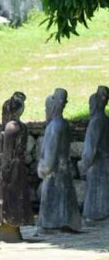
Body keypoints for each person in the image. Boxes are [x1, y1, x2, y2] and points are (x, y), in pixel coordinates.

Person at [0, 92, 35, 242]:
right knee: (16, 197)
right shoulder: (22, 127)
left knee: (6, 197)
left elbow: (7, 152)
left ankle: (8, 228)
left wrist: (4, 170)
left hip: (9, 168)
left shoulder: (10, 127)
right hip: (19, 167)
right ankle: (12, 228)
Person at [36, 88, 83, 233]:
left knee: (53, 200)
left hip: (54, 172)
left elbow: (50, 155)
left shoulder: (54, 126)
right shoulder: (62, 124)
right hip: (63, 170)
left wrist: (43, 169)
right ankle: (63, 223)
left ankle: (52, 225)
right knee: (63, 199)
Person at [78, 86, 109, 222]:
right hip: (105, 163)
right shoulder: (105, 120)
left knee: (96, 196)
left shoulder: (96, 122)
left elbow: (90, 149)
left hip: (97, 164)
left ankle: (96, 217)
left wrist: (84, 166)